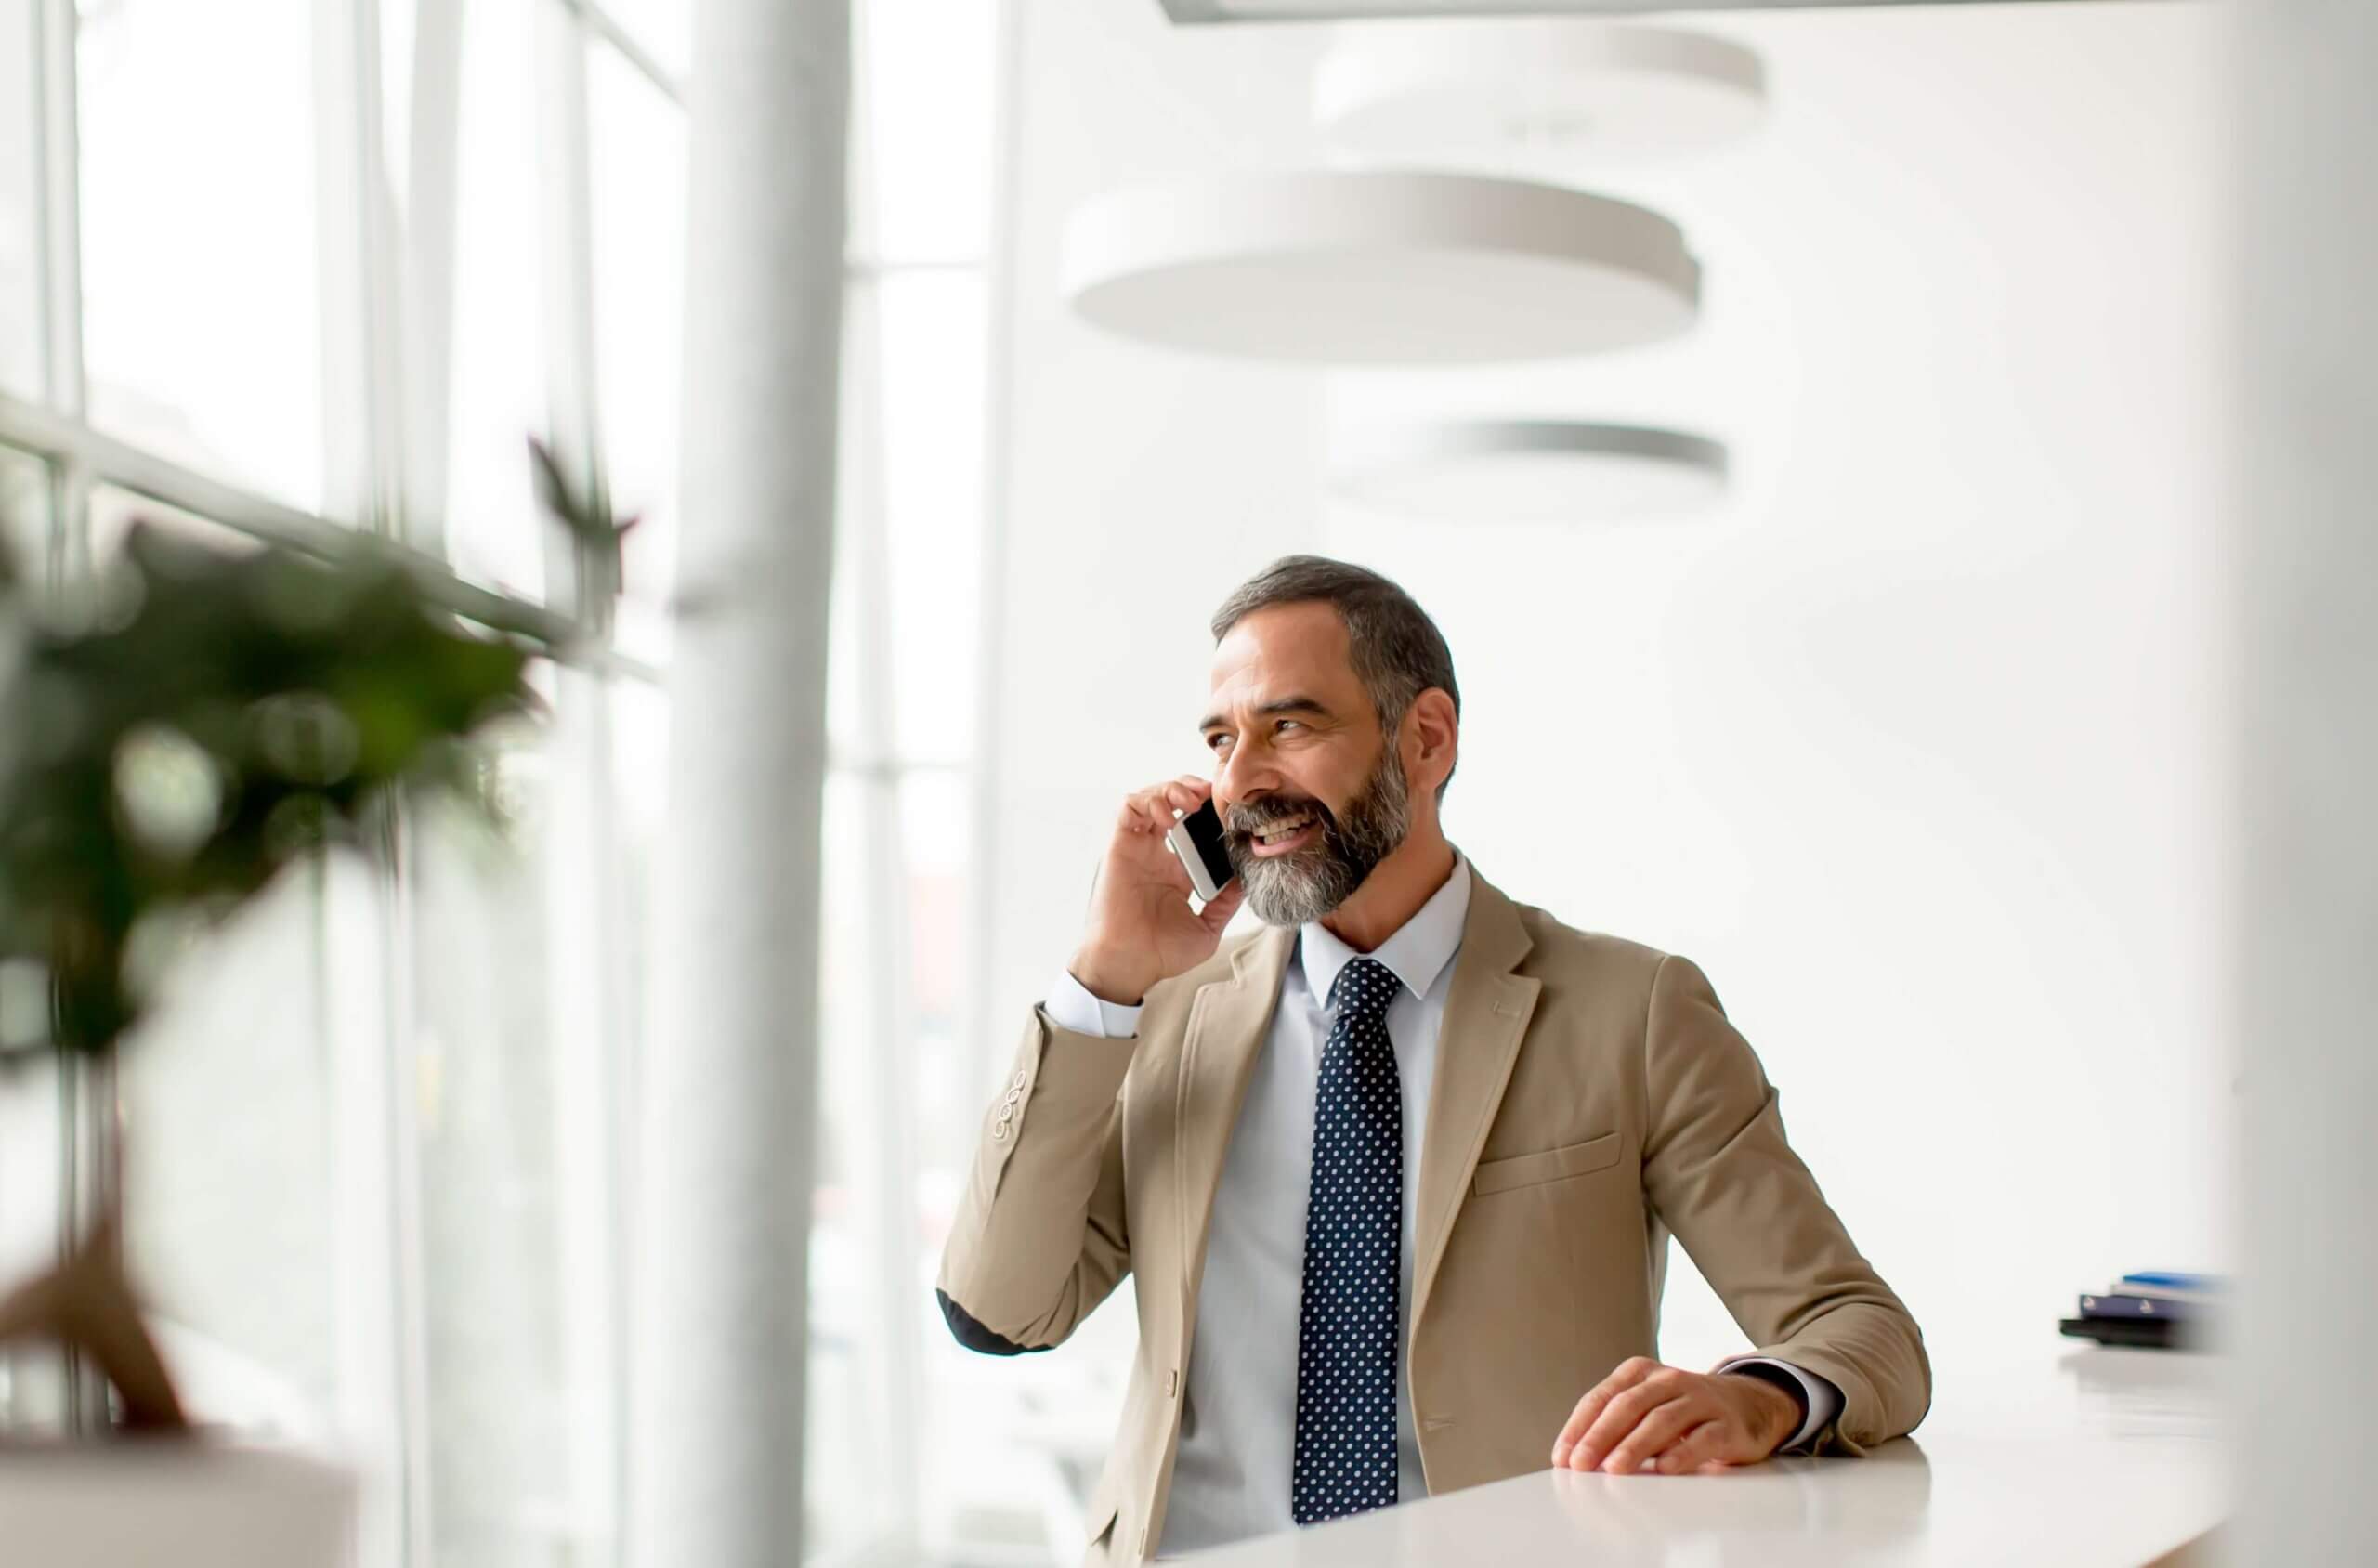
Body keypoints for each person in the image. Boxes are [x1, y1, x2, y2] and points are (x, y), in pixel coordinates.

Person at [937, 555, 1929, 1564]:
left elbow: (1860, 1326)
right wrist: (1103, 982)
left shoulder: (1632, 1012)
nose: (1240, 781)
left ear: (1425, 738)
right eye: (1220, 740)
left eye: (1290, 724)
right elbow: (998, 1311)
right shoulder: (1164, 1018)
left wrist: (1757, 1398)